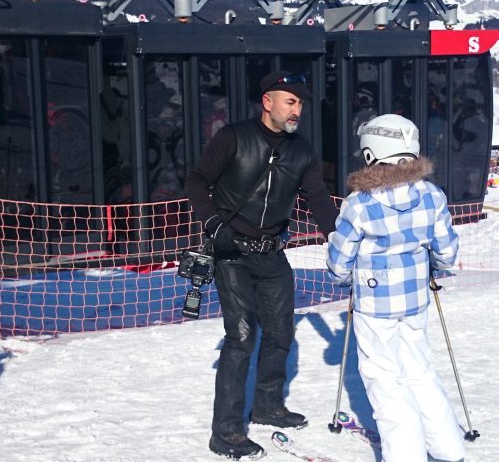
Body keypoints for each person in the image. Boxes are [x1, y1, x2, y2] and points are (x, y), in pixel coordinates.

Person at [185, 70, 339, 460]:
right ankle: (227, 432)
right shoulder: (233, 137)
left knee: (280, 330)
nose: (297, 110)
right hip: (231, 251)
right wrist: (214, 224)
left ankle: (269, 405)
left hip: (272, 252)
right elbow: (197, 181)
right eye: (290, 101)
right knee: (240, 337)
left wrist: (336, 234)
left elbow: (318, 198)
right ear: (267, 102)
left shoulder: (302, 150)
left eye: (301, 103)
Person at [326, 114, 465, 462]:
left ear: (372, 153)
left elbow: (339, 260)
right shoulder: (432, 195)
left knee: (386, 381)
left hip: (375, 304)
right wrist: (433, 267)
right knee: (420, 371)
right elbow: (447, 252)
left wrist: (344, 278)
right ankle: (448, 449)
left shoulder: (360, 203)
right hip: (415, 301)